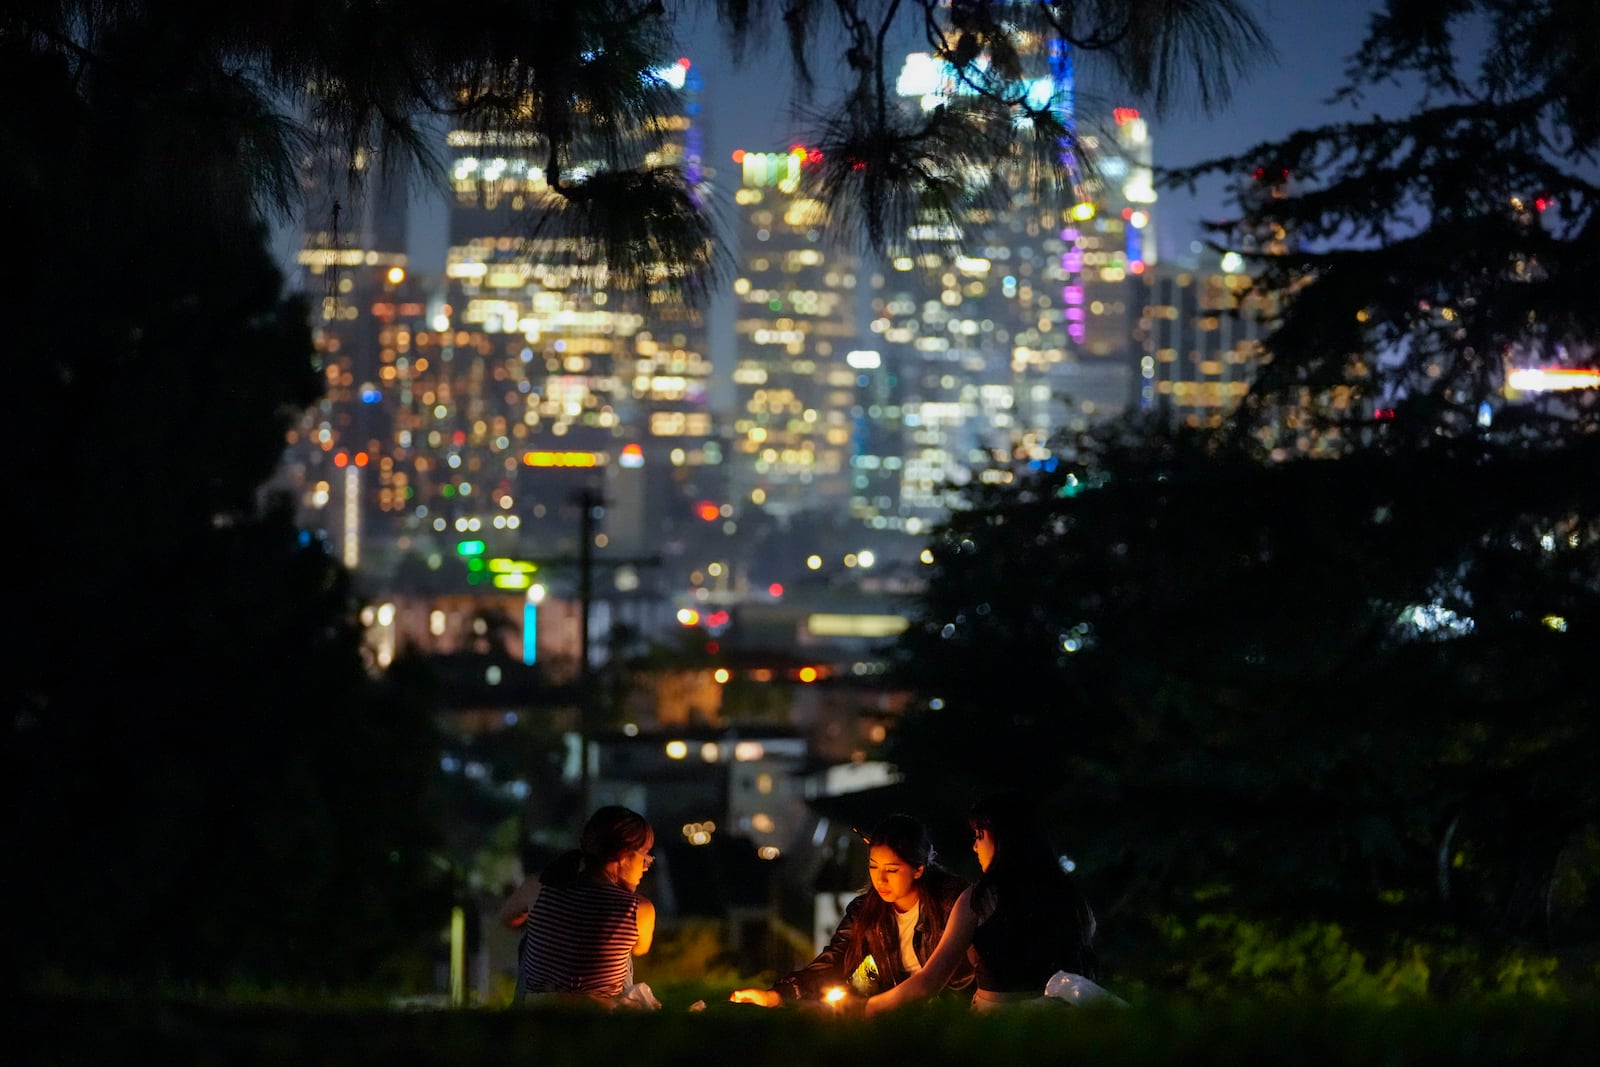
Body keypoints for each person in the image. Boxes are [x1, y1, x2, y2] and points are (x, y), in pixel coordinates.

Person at [864, 791, 1096, 1015]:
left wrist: (867, 1007)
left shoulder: (981, 898)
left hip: (997, 1028)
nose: (975, 847)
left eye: (979, 836)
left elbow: (929, 981)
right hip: (1061, 1023)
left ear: (1004, 838)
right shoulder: (1069, 895)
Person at [729, 813, 974, 1006]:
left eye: (892, 869)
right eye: (874, 867)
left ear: (918, 869)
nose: (881, 879)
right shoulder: (865, 911)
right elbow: (835, 961)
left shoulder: (952, 904)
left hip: (949, 1015)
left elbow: (966, 977)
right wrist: (777, 995)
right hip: (893, 1015)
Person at [498, 805, 659, 1007]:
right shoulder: (639, 909)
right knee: (624, 951)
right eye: (645, 857)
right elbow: (640, 949)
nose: (646, 867)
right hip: (599, 1017)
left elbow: (507, 918)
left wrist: (553, 925)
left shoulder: (538, 886)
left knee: (531, 931)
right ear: (623, 854)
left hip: (538, 1014)